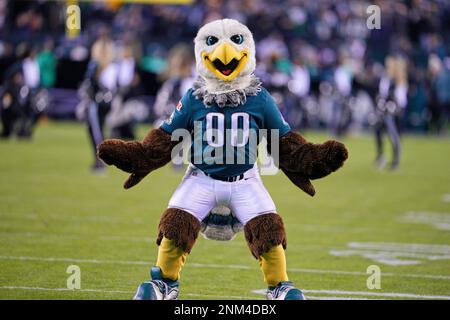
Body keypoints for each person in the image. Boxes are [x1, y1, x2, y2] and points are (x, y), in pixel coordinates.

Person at [373, 55, 408, 170]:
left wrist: (392, 106)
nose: (388, 67)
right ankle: (381, 156)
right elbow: (382, 94)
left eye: (390, 65)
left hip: (394, 112)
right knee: (378, 131)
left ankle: (395, 161)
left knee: (393, 135)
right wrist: (381, 104)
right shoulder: (386, 79)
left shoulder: (399, 80)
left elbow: (401, 100)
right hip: (385, 110)